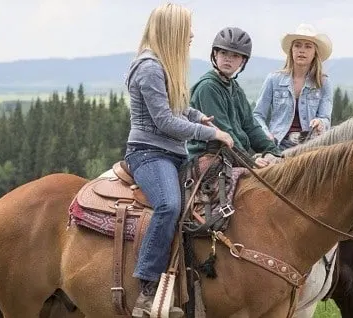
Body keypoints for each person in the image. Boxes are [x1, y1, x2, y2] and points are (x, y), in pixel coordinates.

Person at [123, 4, 233, 317]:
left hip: (173, 154)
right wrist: (210, 134)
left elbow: (179, 108)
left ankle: (191, 282)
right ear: (171, 31)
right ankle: (147, 286)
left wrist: (200, 117)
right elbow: (164, 122)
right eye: (187, 29)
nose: (192, 35)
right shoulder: (149, 68)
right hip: (148, 153)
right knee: (169, 206)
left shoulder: (164, 66)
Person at [187, 27, 280, 166]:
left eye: (235, 56)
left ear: (243, 61)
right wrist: (250, 160)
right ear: (215, 54)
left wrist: (273, 151)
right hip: (211, 155)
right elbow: (224, 132)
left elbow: (251, 126)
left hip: (235, 154)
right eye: (224, 53)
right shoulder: (208, 87)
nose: (228, 59)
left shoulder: (235, 88)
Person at [253, 24, 333, 150]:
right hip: (278, 144)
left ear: (314, 53)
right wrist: (266, 134)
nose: (302, 50)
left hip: (311, 146)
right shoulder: (273, 79)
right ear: (291, 50)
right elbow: (257, 115)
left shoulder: (323, 82)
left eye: (308, 46)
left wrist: (320, 123)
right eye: (297, 45)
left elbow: (326, 119)